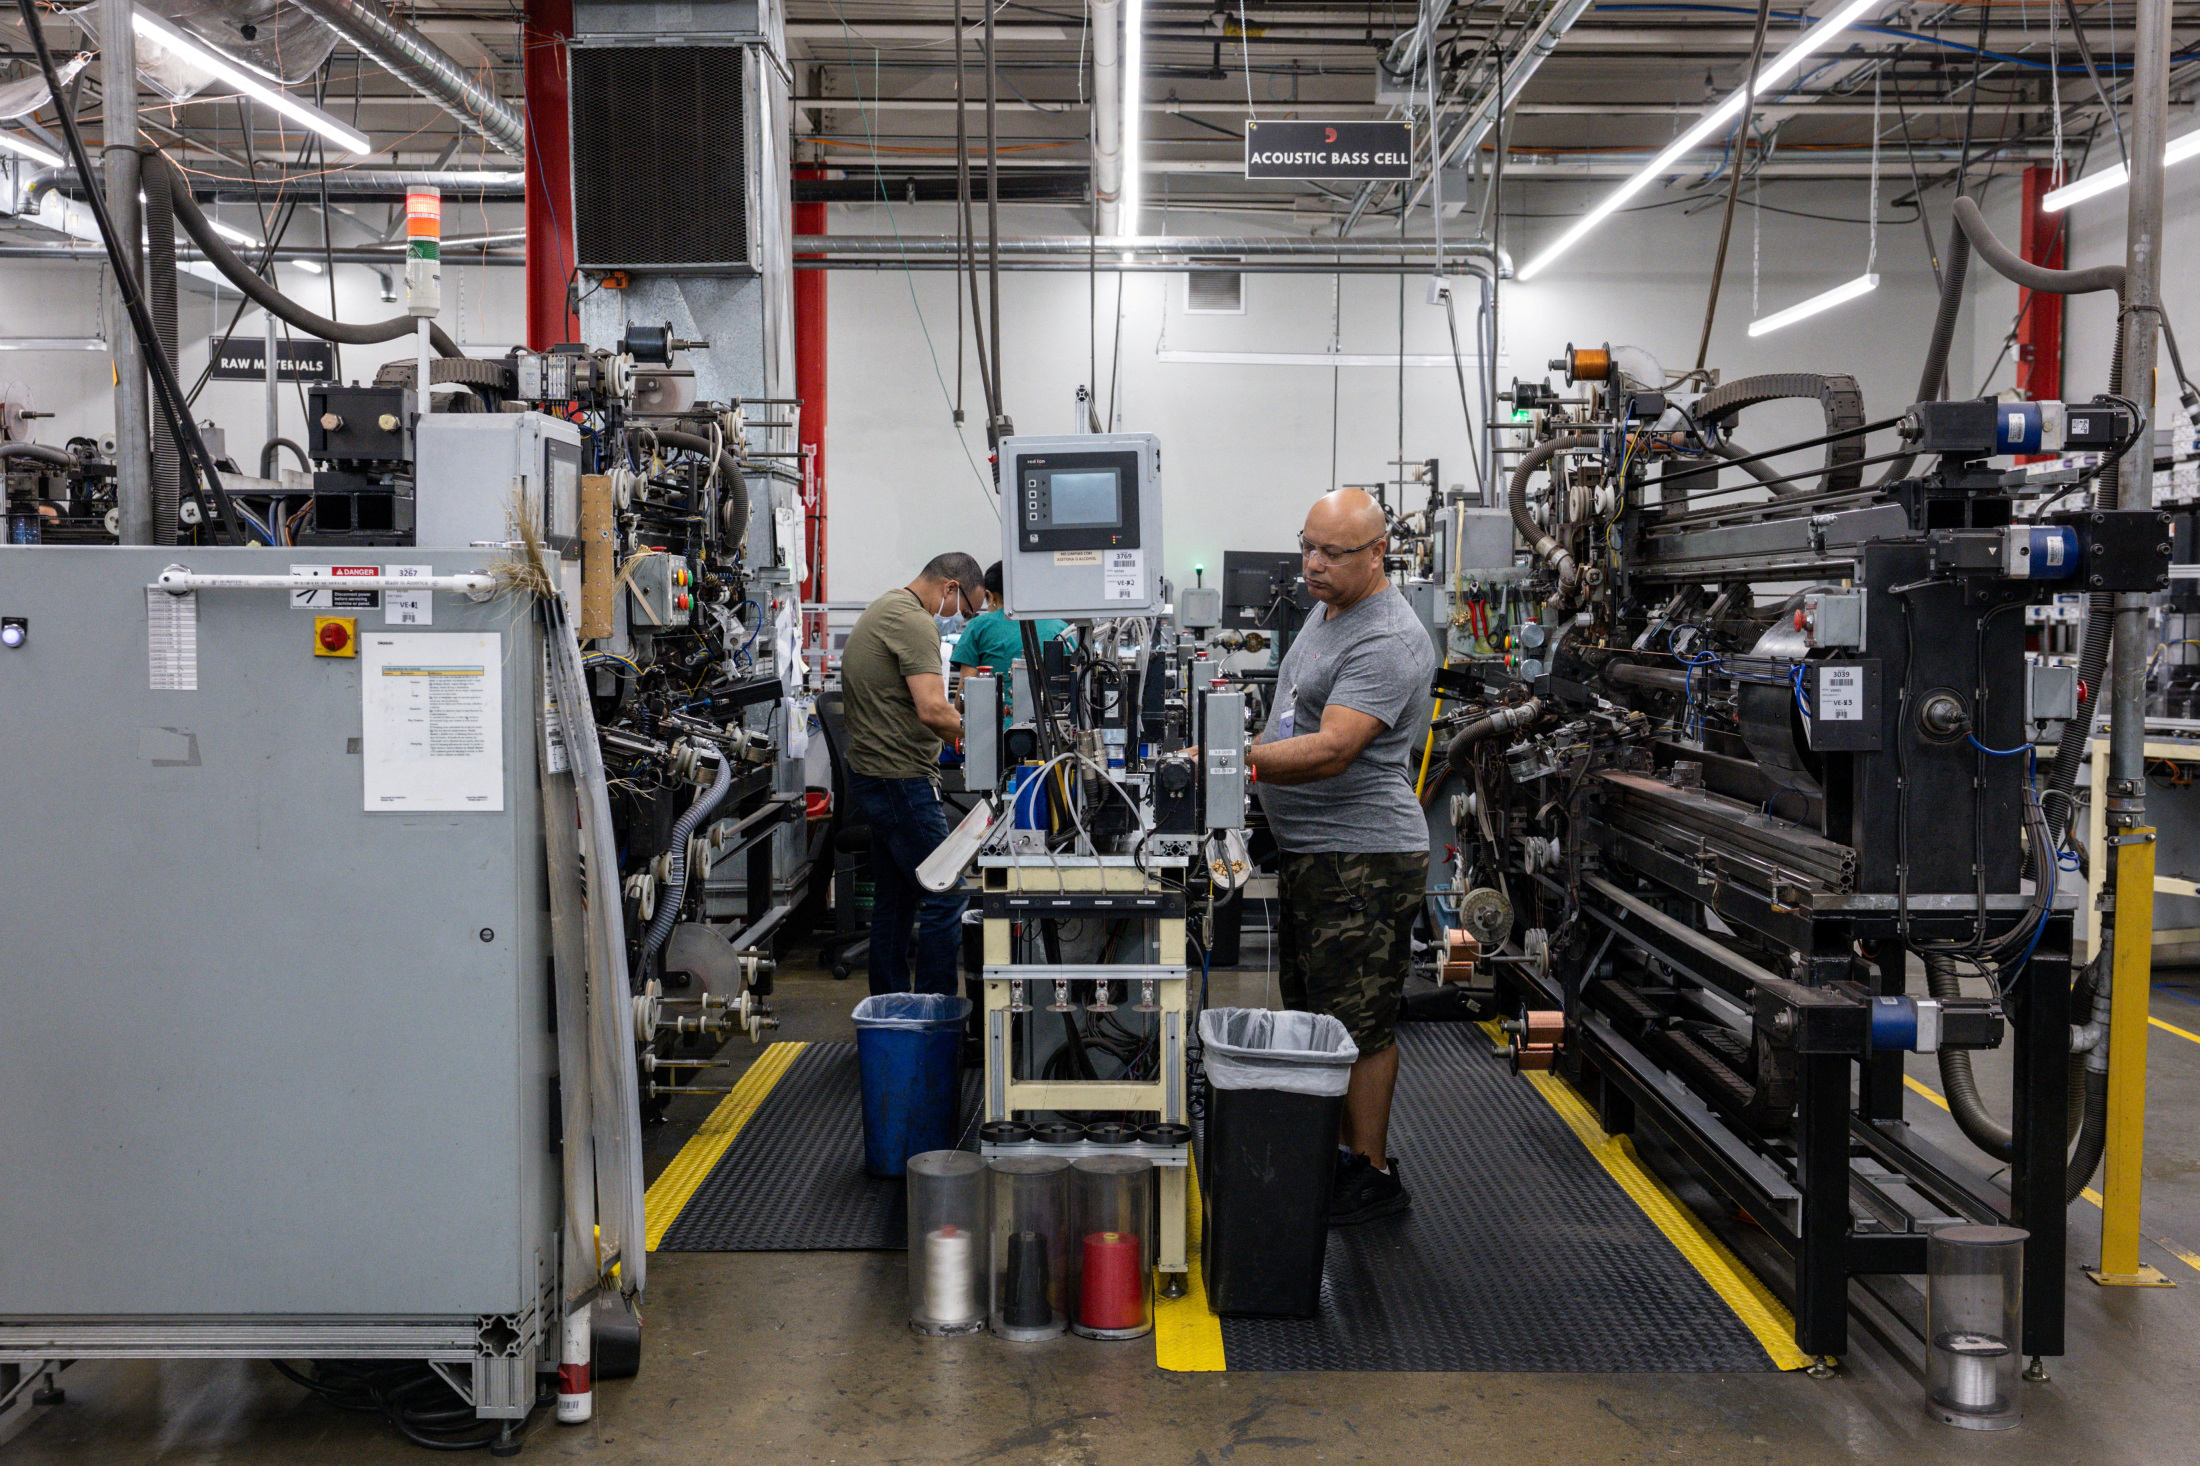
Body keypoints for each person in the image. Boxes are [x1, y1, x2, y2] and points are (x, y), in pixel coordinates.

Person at [1247, 488, 1436, 1224]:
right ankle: (1337, 1150)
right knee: (1320, 1013)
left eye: (1333, 553)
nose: (1313, 565)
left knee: (1359, 1023)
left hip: (1362, 857)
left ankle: (1373, 1173)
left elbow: (1332, 750)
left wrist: (1237, 763)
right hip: (1315, 850)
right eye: (1308, 546)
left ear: (1378, 554)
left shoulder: (1386, 638)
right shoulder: (1329, 612)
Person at [839, 551, 987, 995]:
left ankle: (894, 1010)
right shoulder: (915, 622)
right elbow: (931, 710)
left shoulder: (887, 606)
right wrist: (985, 742)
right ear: (949, 588)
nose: (960, 622)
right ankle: (935, 1014)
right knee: (946, 897)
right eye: (964, 611)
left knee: (898, 899)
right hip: (900, 778)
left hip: (878, 775)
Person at [950, 561, 1069, 694]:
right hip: (1052, 713)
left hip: (994, 715)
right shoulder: (1060, 627)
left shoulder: (978, 626)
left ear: (990, 595)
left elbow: (965, 696)